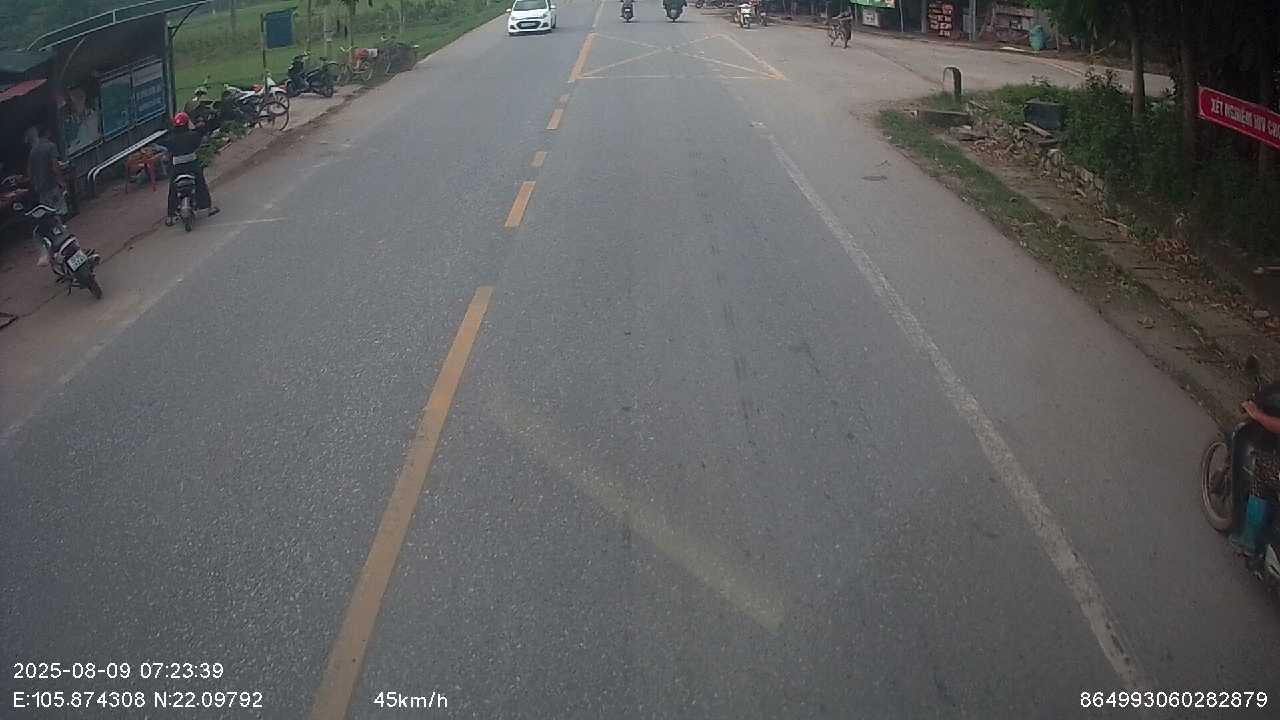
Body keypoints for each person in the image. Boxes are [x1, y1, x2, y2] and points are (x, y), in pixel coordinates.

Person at [162, 112, 218, 225]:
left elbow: (164, 146)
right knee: (200, 183)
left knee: (173, 188)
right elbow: (200, 137)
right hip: (192, 165)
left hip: (177, 167)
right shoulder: (194, 135)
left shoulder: (170, 139)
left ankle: (171, 215)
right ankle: (207, 207)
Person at [25, 126, 66, 216]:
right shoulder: (51, 146)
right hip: (52, 185)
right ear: (47, 133)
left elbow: (30, 172)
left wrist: (35, 184)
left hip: (41, 189)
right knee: (59, 211)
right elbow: (55, 167)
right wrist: (61, 181)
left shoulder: (33, 151)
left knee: (48, 213)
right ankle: (61, 225)